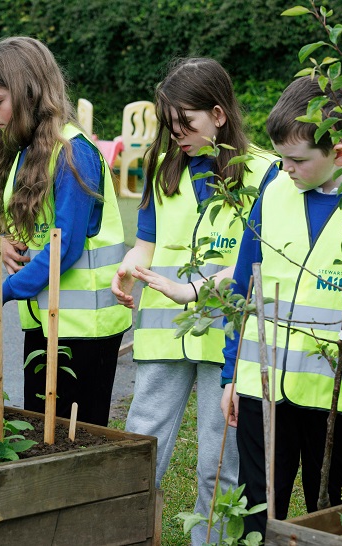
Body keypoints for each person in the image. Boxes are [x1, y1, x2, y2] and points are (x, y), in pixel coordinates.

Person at [110, 58, 282, 545]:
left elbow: (258, 258)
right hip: (164, 336)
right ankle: (126, 536)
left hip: (226, 343)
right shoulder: (162, 169)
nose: (177, 135)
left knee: (219, 463)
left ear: (219, 114)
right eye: (170, 126)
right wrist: (130, 264)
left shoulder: (265, 175)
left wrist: (198, 289)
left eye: (187, 123)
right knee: (144, 449)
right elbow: (149, 240)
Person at [221, 76, 342, 536]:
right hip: (260, 383)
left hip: (333, 391)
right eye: (280, 158)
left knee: (325, 502)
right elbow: (241, 286)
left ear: (340, 152)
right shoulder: (272, 190)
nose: (284, 169)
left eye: (296, 160)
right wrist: (231, 374)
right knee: (257, 505)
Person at [0, 36, 131, 427]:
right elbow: (33, 233)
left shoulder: (74, 156)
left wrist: (0, 294)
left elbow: (68, 245)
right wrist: (3, 243)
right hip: (45, 322)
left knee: (77, 441)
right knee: (42, 433)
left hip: (85, 333)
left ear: (28, 93)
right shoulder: (26, 153)